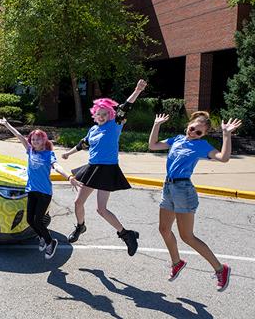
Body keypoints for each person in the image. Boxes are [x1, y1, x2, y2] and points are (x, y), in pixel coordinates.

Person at [148, 111, 241, 291]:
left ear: (203, 135)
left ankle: (221, 269)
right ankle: (177, 262)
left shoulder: (202, 146)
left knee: (187, 236)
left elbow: (224, 158)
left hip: (184, 191)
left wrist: (226, 135)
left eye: (199, 132)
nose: (194, 133)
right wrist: (157, 124)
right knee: (164, 229)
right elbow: (152, 145)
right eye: (192, 129)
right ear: (188, 125)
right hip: (168, 187)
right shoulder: (176, 139)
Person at [61, 79, 147, 256]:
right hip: (92, 169)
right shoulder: (93, 130)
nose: (101, 117)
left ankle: (126, 235)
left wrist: (137, 90)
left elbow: (125, 107)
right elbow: (83, 144)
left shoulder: (115, 125)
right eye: (98, 114)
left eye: (104, 114)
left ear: (110, 114)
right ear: (94, 115)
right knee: (78, 202)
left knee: (101, 209)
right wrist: (68, 154)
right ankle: (80, 227)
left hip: (107, 170)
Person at [0, 118, 83, 259]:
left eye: (38, 139)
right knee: (30, 219)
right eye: (33, 139)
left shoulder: (49, 154)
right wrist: (6, 124)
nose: (35, 142)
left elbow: (57, 167)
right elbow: (18, 135)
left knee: (37, 221)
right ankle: (43, 236)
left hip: (44, 193)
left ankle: (50, 242)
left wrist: (69, 177)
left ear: (44, 141)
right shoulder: (30, 151)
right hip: (32, 190)